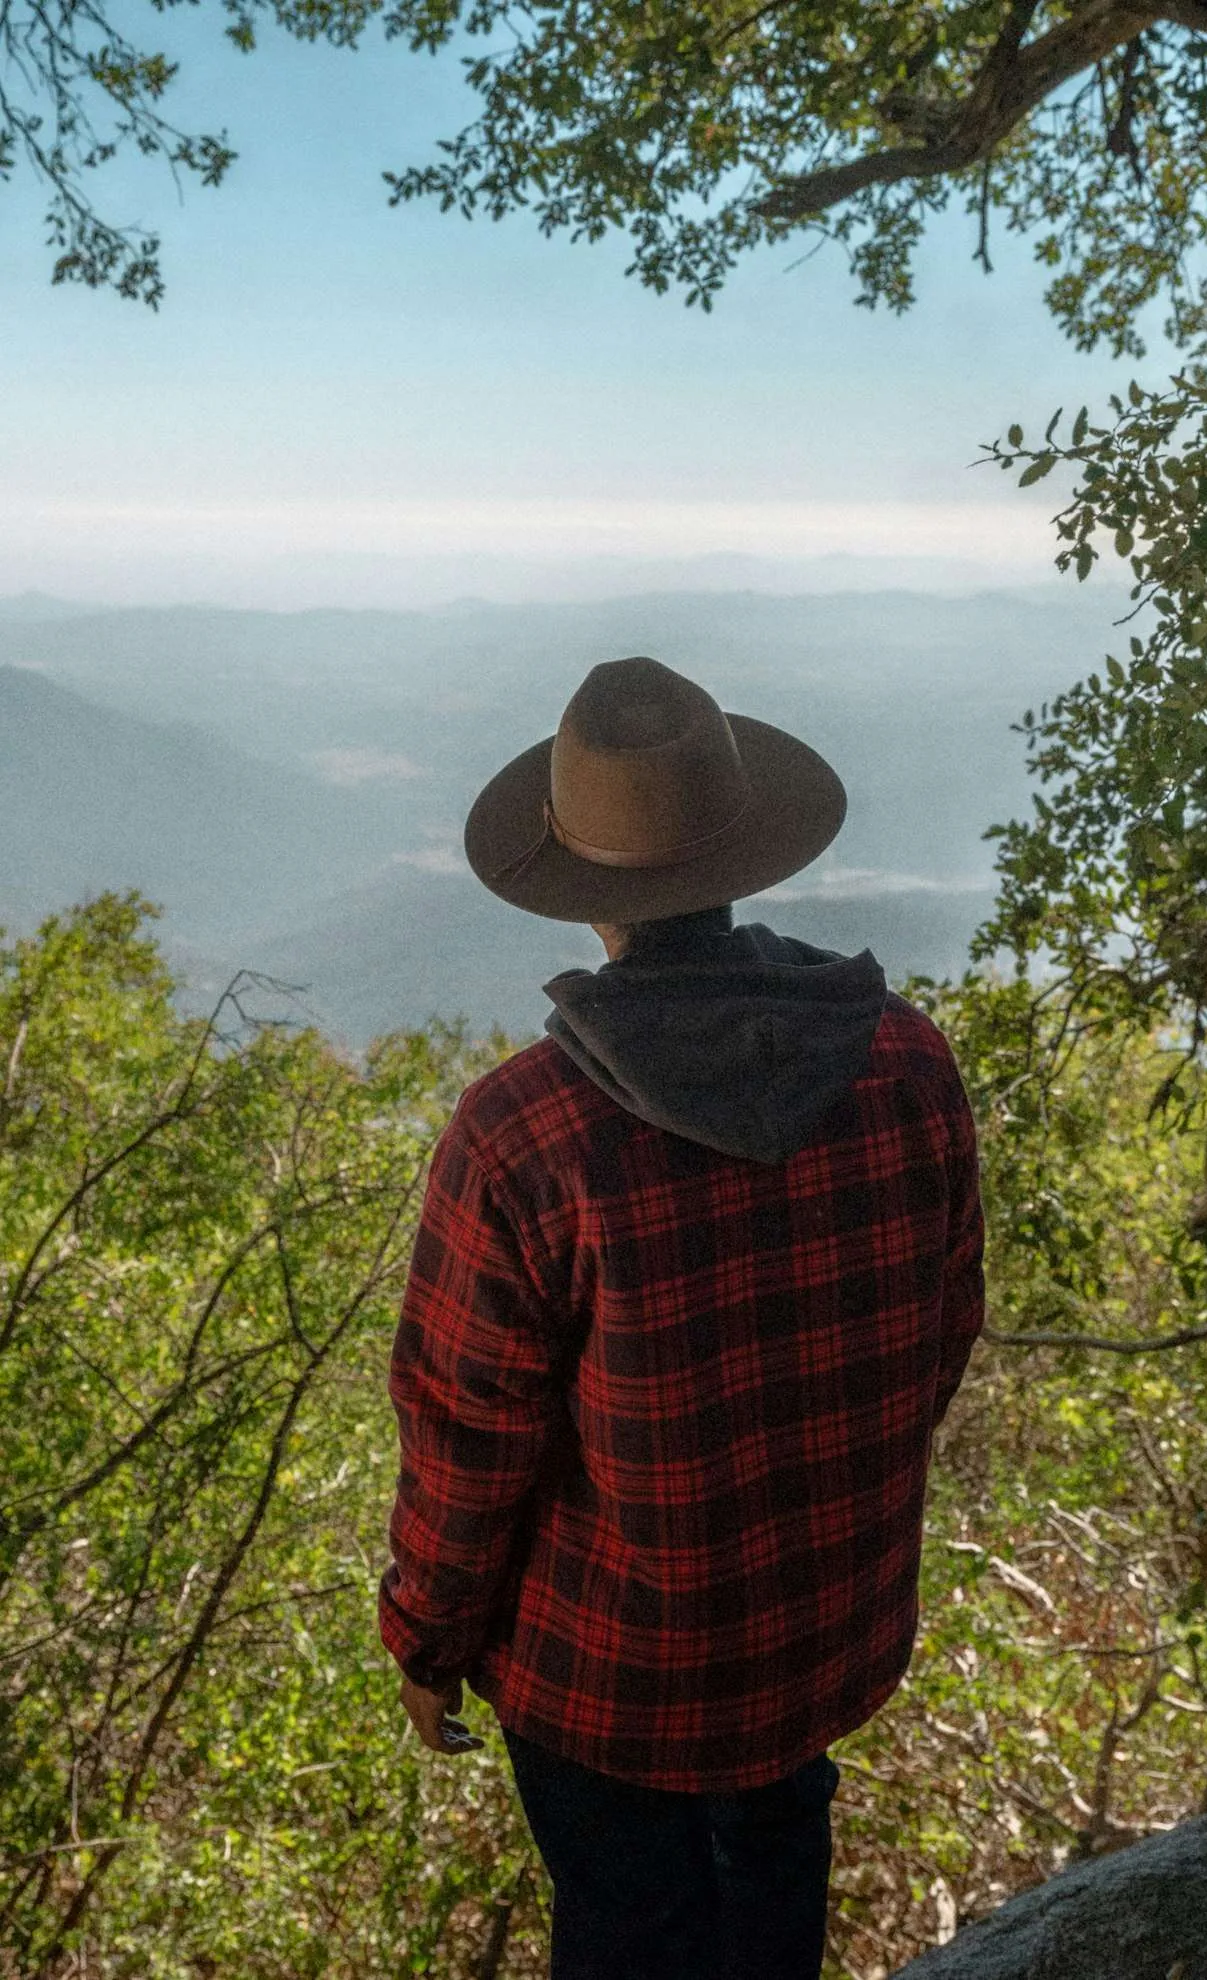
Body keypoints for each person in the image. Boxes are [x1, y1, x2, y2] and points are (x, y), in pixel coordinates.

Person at [379, 655, 985, 1980]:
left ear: (584, 897)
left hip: (610, 1681)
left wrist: (424, 1641)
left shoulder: (525, 1135)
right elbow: (938, 1339)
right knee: (774, 1878)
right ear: (742, 849)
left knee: (628, 1930)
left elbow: (467, 1440)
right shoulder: (905, 1064)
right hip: (814, 1632)